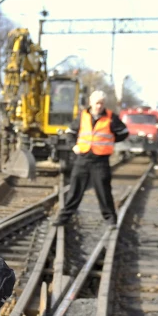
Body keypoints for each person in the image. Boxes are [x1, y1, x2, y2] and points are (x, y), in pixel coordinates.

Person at [54, 89, 128, 227]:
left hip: (101, 160)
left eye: (101, 103)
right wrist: (73, 146)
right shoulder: (82, 116)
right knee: (75, 190)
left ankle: (111, 219)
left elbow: (124, 132)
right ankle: (63, 218)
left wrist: (111, 140)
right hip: (83, 158)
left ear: (104, 104)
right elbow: (70, 132)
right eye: (96, 103)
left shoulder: (111, 117)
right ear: (90, 103)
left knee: (104, 191)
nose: (99, 106)